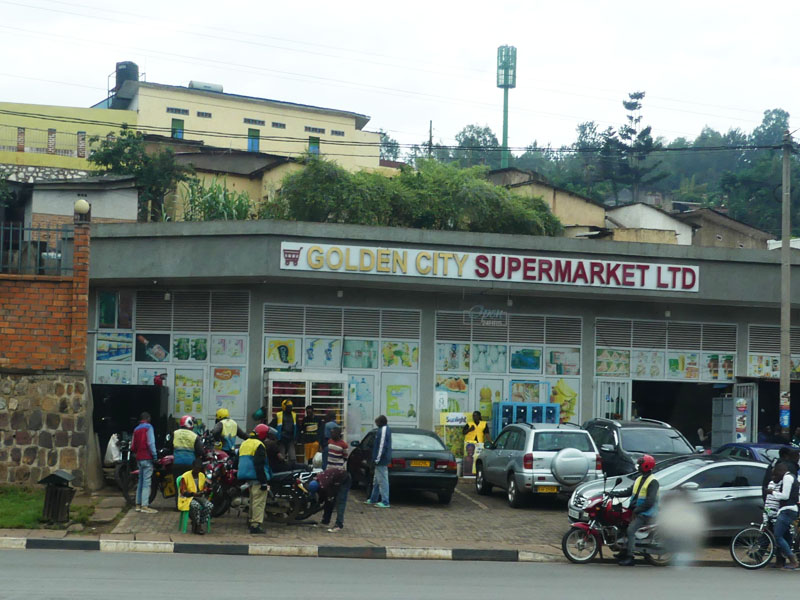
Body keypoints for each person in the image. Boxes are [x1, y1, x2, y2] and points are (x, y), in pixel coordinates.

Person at [609, 454, 659, 566]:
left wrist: (638, 510)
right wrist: (614, 493)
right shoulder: (639, 479)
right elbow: (629, 491)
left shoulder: (653, 482)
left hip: (646, 513)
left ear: (646, 466)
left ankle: (630, 557)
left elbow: (650, 501)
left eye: (640, 464)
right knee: (622, 525)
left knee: (631, 530)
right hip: (637, 510)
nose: (638, 466)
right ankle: (623, 551)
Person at [238, 424, 272, 534]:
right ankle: (255, 525)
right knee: (258, 502)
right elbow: (259, 465)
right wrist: (263, 482)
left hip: (246, 477)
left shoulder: (244, 443)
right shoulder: (259, 445)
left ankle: (250, 520)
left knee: (253, 501)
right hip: (257, 477)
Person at [769, 461, 800, 570]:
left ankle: (793, 561)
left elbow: (785, 496)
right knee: (786, 536)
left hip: (788, 510)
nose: (775, 477)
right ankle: (785, 560)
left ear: (781, 471)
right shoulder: (790, 477)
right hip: (788, 510)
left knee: (777, 536)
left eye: (776, 474)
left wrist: (772, 492)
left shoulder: (787, 478)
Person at [130, 412, 158, 514]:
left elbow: (133, 445)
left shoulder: (136, 429)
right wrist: (155, 456)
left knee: (140, 482)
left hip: (139, 458)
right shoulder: (149, 427)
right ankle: (145, 506)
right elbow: (151, 443)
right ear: (148, 418)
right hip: (147, 457)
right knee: (146, 483)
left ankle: (138, 504)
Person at [309, 467, 352, 533]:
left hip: (344, 479)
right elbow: (323, 495)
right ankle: (325, 522)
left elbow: (329, 494)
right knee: (328, 501)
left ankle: (339, 525)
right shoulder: (318, 480)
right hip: (334, 479)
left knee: (340, 502)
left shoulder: (325, 484)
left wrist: (325, 500)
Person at [178, 457, 212, 534]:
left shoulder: (202, 475)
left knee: (209, 506)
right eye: (196, 468)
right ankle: (198, 526)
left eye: (199, 469)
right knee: (196, 506)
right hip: (188, 498)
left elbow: (205, 487)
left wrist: (205, 490)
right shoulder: (185, 476)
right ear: (192, 467)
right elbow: (183, 491)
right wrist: (193, 494)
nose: (197, 471)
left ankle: (197, 523)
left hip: (199, 496)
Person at [365, 415, 392, 508]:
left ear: (380, 422)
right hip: (380, 459)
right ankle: (373, 498)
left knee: (382, 481)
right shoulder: (382, 429)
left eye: (376, 422)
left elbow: (381, 445)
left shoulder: (383, 430)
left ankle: (385, 501)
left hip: (381, 460)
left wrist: (377, 458)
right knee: (376, 480)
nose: (376, 423)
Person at [172, 415, 203, 484]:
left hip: (177, 463)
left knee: (178, 484)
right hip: (190, 465)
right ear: (190, 423)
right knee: (189, 485)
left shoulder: (175, 433)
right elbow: (200, 451)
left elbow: (169, 446)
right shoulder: (195, 436)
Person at [270, 399, 298, 464]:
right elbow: (271, 425)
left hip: (291, 438)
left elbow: (297, 427)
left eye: (291, 406)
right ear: (284, 407)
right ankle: (281, 468)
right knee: (281, 458)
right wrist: (275, 437)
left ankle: (293, 468)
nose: (290, 408)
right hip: (281, 439)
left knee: (293, 458)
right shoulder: (278, 415)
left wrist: (296, 438)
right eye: (288, 407)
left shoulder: (294, 415)